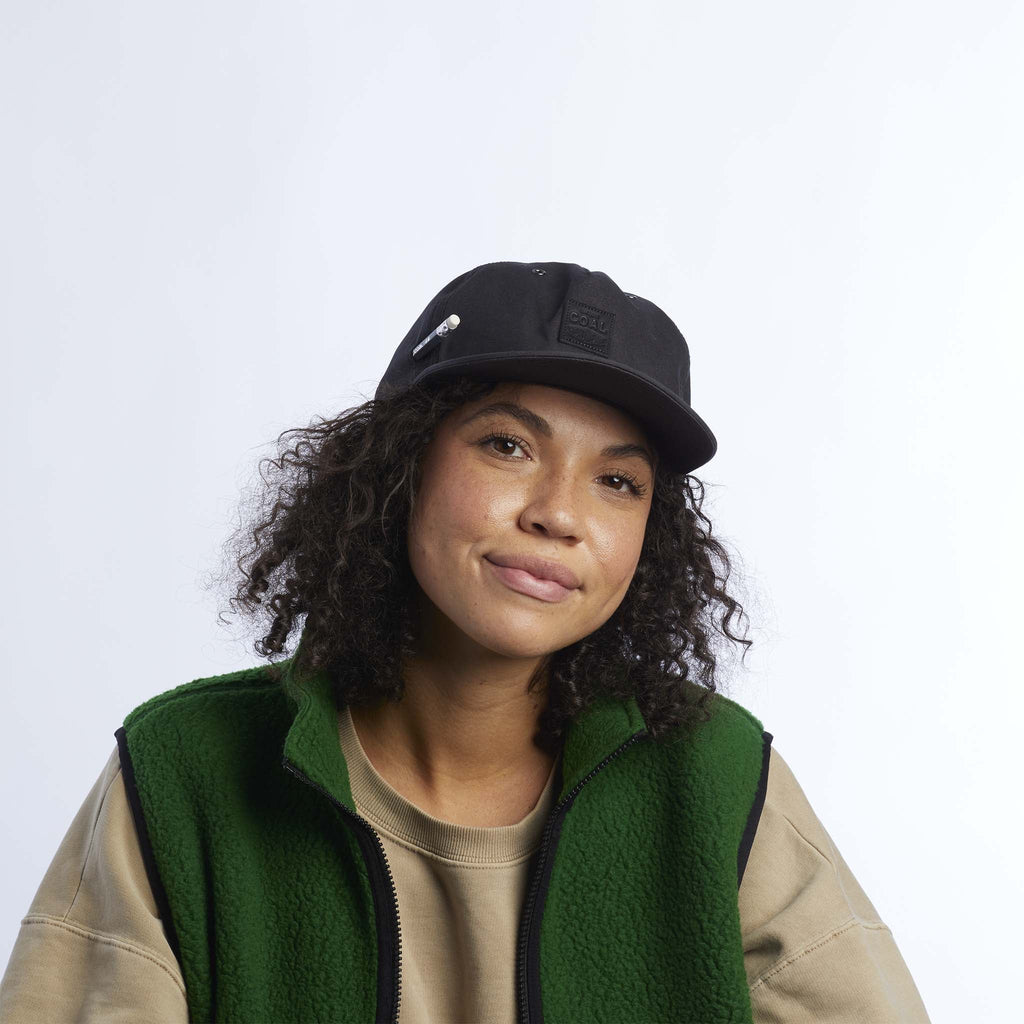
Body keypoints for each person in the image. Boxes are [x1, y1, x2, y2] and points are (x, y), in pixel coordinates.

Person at [0, 261, 931, 1022]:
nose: (558, 513)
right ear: (400, 465)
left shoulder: (714, 778)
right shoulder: (184, 770)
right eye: (507, 446)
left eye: (618, 482)